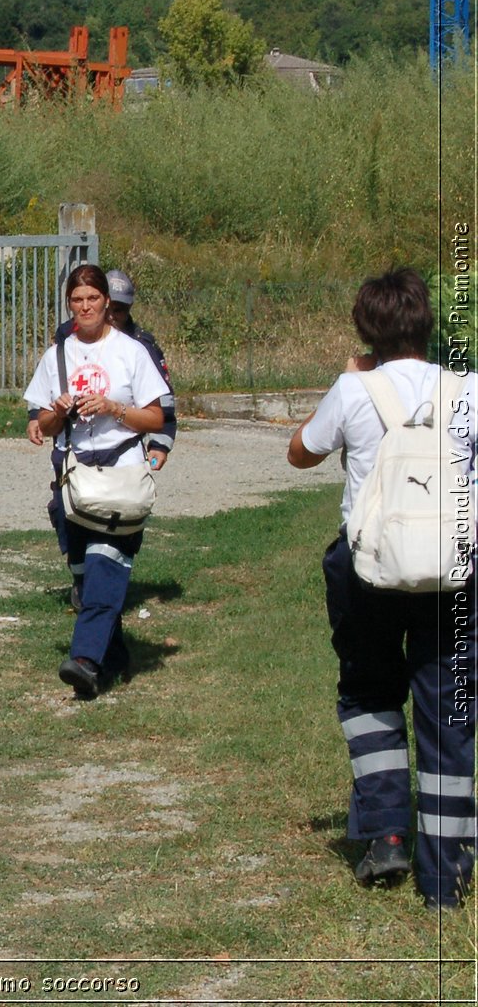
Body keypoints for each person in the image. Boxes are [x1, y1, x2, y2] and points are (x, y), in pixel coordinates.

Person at [286, 267, 475, 911]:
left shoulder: (353, 387)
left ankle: (386, 832)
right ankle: (445, 876)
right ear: (427, 325)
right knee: (448, 707)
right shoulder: (467, 390)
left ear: (366, 330)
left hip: (368, 567)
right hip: (451, 569)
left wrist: (355, 376)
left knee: (369, 691)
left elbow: (300, 452)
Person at [24, 264, 168, 698]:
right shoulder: (58, 355)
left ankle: (84, 661)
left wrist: (112, 407)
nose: (85, 307)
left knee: (108, 562)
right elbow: (43, 425)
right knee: (88, 575)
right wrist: (59, 410)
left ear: (107, 303)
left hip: (121, 471)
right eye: (77, 300)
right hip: (74, 476)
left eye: (92, 298)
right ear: (70, 305)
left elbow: (156, 416)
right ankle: (115, 657)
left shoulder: (131, 352)